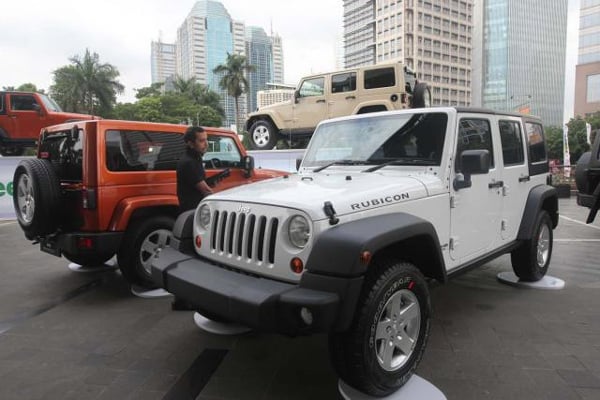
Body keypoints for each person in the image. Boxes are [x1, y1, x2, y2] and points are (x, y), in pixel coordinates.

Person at [177, 126, 213, 213]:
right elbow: (206, 190)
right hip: (193, 211)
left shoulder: (195, 158)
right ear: (191, 144)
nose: (206, 144)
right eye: (201, 141)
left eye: (206, 140)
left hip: (196, 209)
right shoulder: (189, 162)